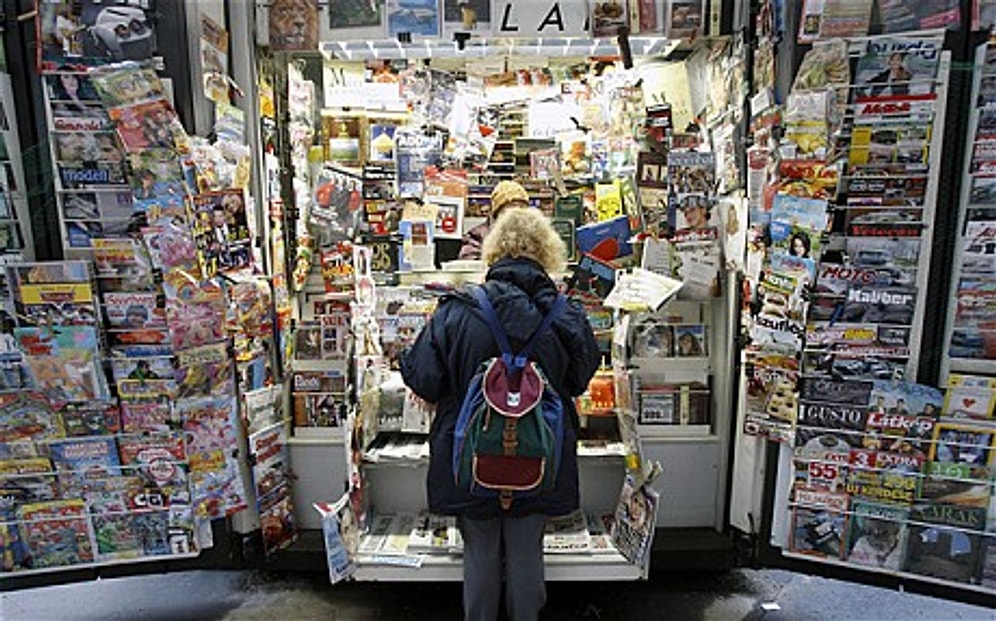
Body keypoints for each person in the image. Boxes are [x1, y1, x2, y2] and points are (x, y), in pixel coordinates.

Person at [401, 206, 600, 621]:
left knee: (479, 552)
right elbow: (581, 380)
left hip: (471, 455)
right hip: (540, 456)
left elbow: (424, 378)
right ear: (547, 254)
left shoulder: (456, 309)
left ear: (492, 253)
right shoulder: (567, 314)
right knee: (528, 553)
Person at [458, 180, 530, 260]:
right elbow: (468, 260)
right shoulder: (477, 235)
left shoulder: (533, 236)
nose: (517, 213)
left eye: (522, 207)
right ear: (497, 211)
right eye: (512, 207)